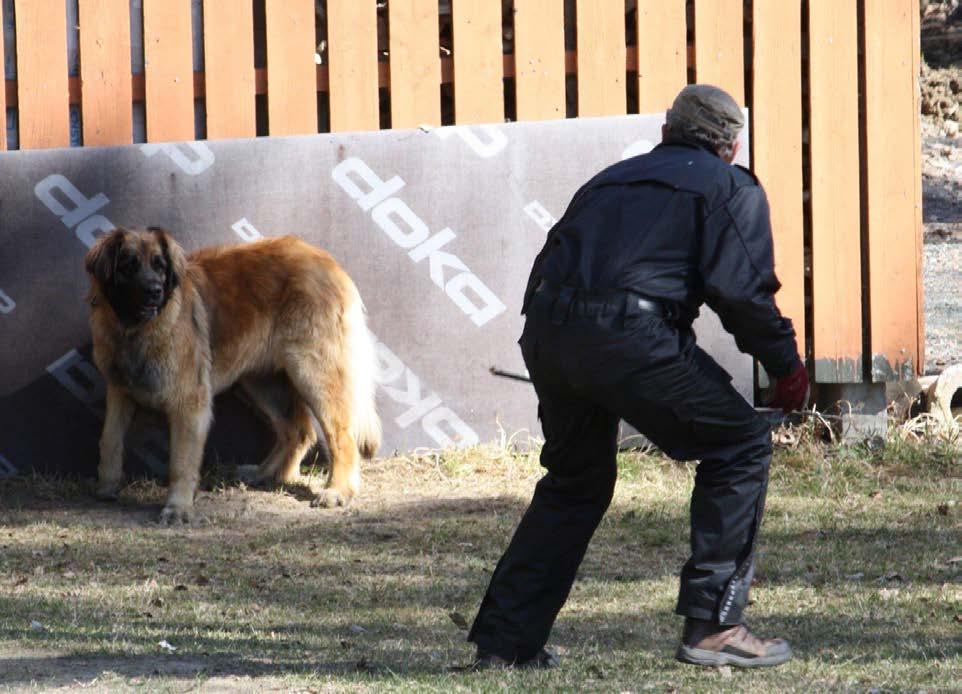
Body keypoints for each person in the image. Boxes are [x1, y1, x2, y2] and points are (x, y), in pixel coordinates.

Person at [466, 84, 810, 670]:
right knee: (740, 442)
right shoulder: (731, 186)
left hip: (548, 329)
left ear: (665, 133)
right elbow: (741, 293)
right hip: (630, 335)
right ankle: (713, 627)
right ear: (731, 146)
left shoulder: (610, 179)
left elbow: (549, 264)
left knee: (575, 481)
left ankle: (505, 643)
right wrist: (786, 368)